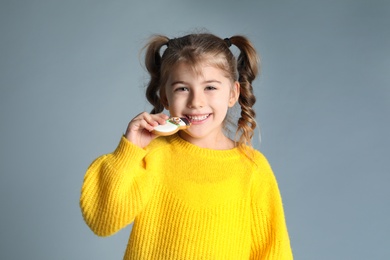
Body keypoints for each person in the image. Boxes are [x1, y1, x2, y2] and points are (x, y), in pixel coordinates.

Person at [80, 32, 293, 259]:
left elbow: (273, 252)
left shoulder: (252, 169)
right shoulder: (150, 155)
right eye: (182, 88)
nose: (196, 102)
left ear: (232, 93)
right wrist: (129, 151)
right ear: (165, 96)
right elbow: (102, 221)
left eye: (210, 87)